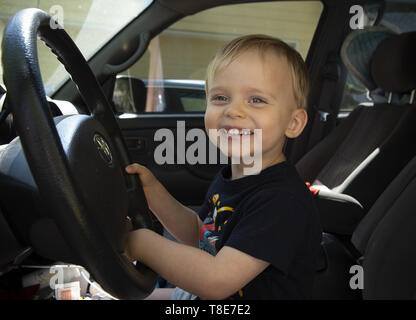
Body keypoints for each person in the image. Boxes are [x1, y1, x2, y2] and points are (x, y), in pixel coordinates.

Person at [124, 34, 322, 300]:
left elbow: (217, 280)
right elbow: (200, 234)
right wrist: (153, 194)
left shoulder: (282, 201)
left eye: (256, 100)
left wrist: (139, 243)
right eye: (220, 97)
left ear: (293, 123)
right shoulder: (232, 177)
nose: (233, 110)